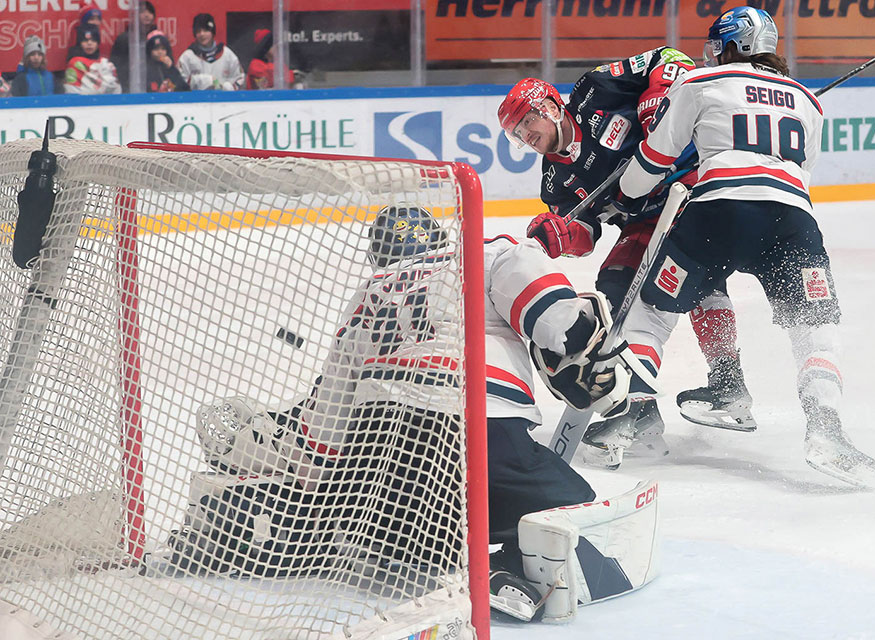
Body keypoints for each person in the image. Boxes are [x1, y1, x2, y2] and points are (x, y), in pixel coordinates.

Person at [162, 205, 651, 620]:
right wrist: (591, 363)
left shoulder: (368, 295)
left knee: (401, 533)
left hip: (379, 458)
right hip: (475, 431)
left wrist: (316, 488)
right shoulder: (489, 251)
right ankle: (502, 567)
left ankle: (256, 526)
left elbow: (325, 430)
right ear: (440, 236)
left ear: (380, 256)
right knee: (572, 505)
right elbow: (560, 320)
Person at [617, 6, 875, 487]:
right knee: (814, 329)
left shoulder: (700, 83)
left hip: (717, 215)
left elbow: (645, 172)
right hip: (792, 224)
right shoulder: (808, 101)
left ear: (730, 45)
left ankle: (635, 416)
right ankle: (826, 427)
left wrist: (628, 192)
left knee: (650, 312)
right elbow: (801, 174)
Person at [498, 50, 756, 469]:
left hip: (692, 190)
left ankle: (722, 383)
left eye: (527, 121)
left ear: (548, 106)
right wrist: (563, 236)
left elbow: (668, 56)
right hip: (644, 221)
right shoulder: (554, 181)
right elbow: (587, 233)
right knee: (613, 290)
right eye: (517, 133)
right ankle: (645, 409)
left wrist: (658, 98)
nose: (525, 134)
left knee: (693, 281)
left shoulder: (594, 89)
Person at [178, 13, 245, 91]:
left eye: (206, 30)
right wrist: (202, 81)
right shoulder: (187, 56)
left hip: (223, 101)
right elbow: (179, 82)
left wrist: (228, 88)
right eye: (198, 31)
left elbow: (240, 78)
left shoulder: (227, 54)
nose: (202, 34)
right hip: (196, 101)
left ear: (212, 32)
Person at [110, 1, 157, 92]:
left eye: (150, 12)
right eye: (143, 12)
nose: (146, 15)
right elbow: (116, 65)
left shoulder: (158, 39)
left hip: (154, 90)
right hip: (128, 89)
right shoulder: (124, 39)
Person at [63, 25, 121, 95]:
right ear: (79, 43)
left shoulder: (106, 63)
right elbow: (72, 91)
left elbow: (116, 89)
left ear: (98, 43)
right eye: (85, 40)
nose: (89, 43)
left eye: (93, 40)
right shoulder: (75, 63)